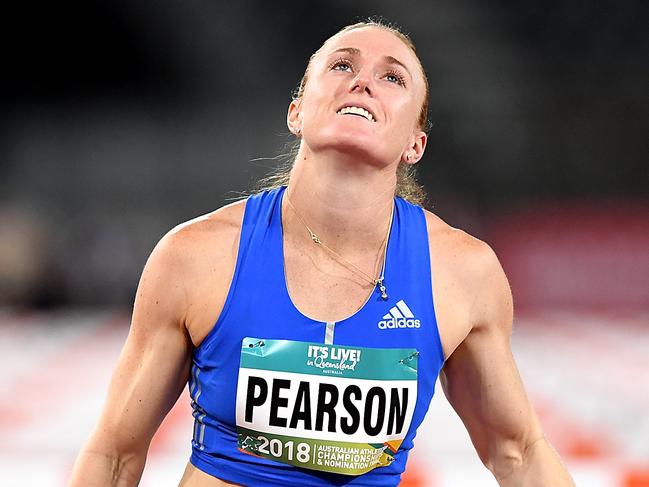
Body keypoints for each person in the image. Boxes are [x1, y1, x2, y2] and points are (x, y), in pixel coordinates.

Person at [70, 20, 575, 487]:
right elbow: (114, 455)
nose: (363, 82)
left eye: (392, 78)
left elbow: (519, 452)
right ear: (297, 112)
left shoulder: (462, 273)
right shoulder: (195, 257)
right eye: (341, 65)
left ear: (414, 145)